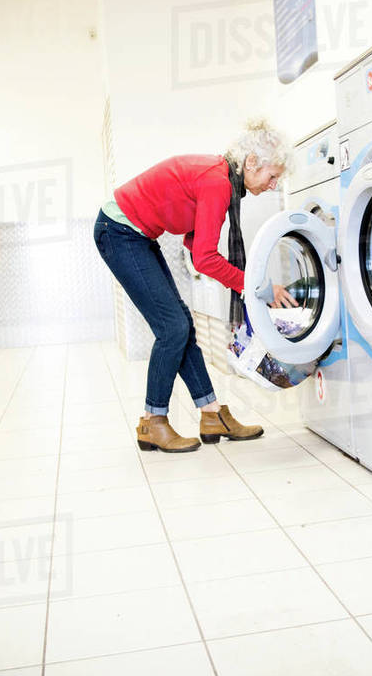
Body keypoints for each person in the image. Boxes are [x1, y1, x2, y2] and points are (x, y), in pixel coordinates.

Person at [94, 118, 298, 452]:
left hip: (136, 235)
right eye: (272, 175)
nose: (274, 184)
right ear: (251, 163)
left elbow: (193, 239)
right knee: (172, 328)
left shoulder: (221, 177)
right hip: (119, 232)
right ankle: (152, 421)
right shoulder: (217, 183)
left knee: (182, 325)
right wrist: (254, 284)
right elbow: (204, 258)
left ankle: (211, 413)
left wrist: (233, 274)